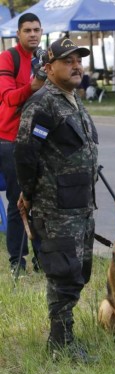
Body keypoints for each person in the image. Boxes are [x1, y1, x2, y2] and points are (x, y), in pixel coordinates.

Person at [14, 37, 99, 363]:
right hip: (56, 208)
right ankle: (60, 345)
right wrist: (31, 195)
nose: (76, 65)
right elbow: (25, 155)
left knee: (78, 272)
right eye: (68, 61)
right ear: (48, 68)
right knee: (63, 275)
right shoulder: (43, 105)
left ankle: (63, 336)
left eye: (79, 60)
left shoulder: (72, 100)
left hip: (80, 205)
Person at [0, 13, 44, 274]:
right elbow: (8, 98)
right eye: (27, 30)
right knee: (19, 202)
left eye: (36, 29)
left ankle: (42, 258)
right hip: (10, 140)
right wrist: (34, 85)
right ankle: (17, 261)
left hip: (39, 140)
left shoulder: (44, 59)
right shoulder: (9, 58)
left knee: (41, 201)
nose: (32, 34)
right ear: (18, 33)